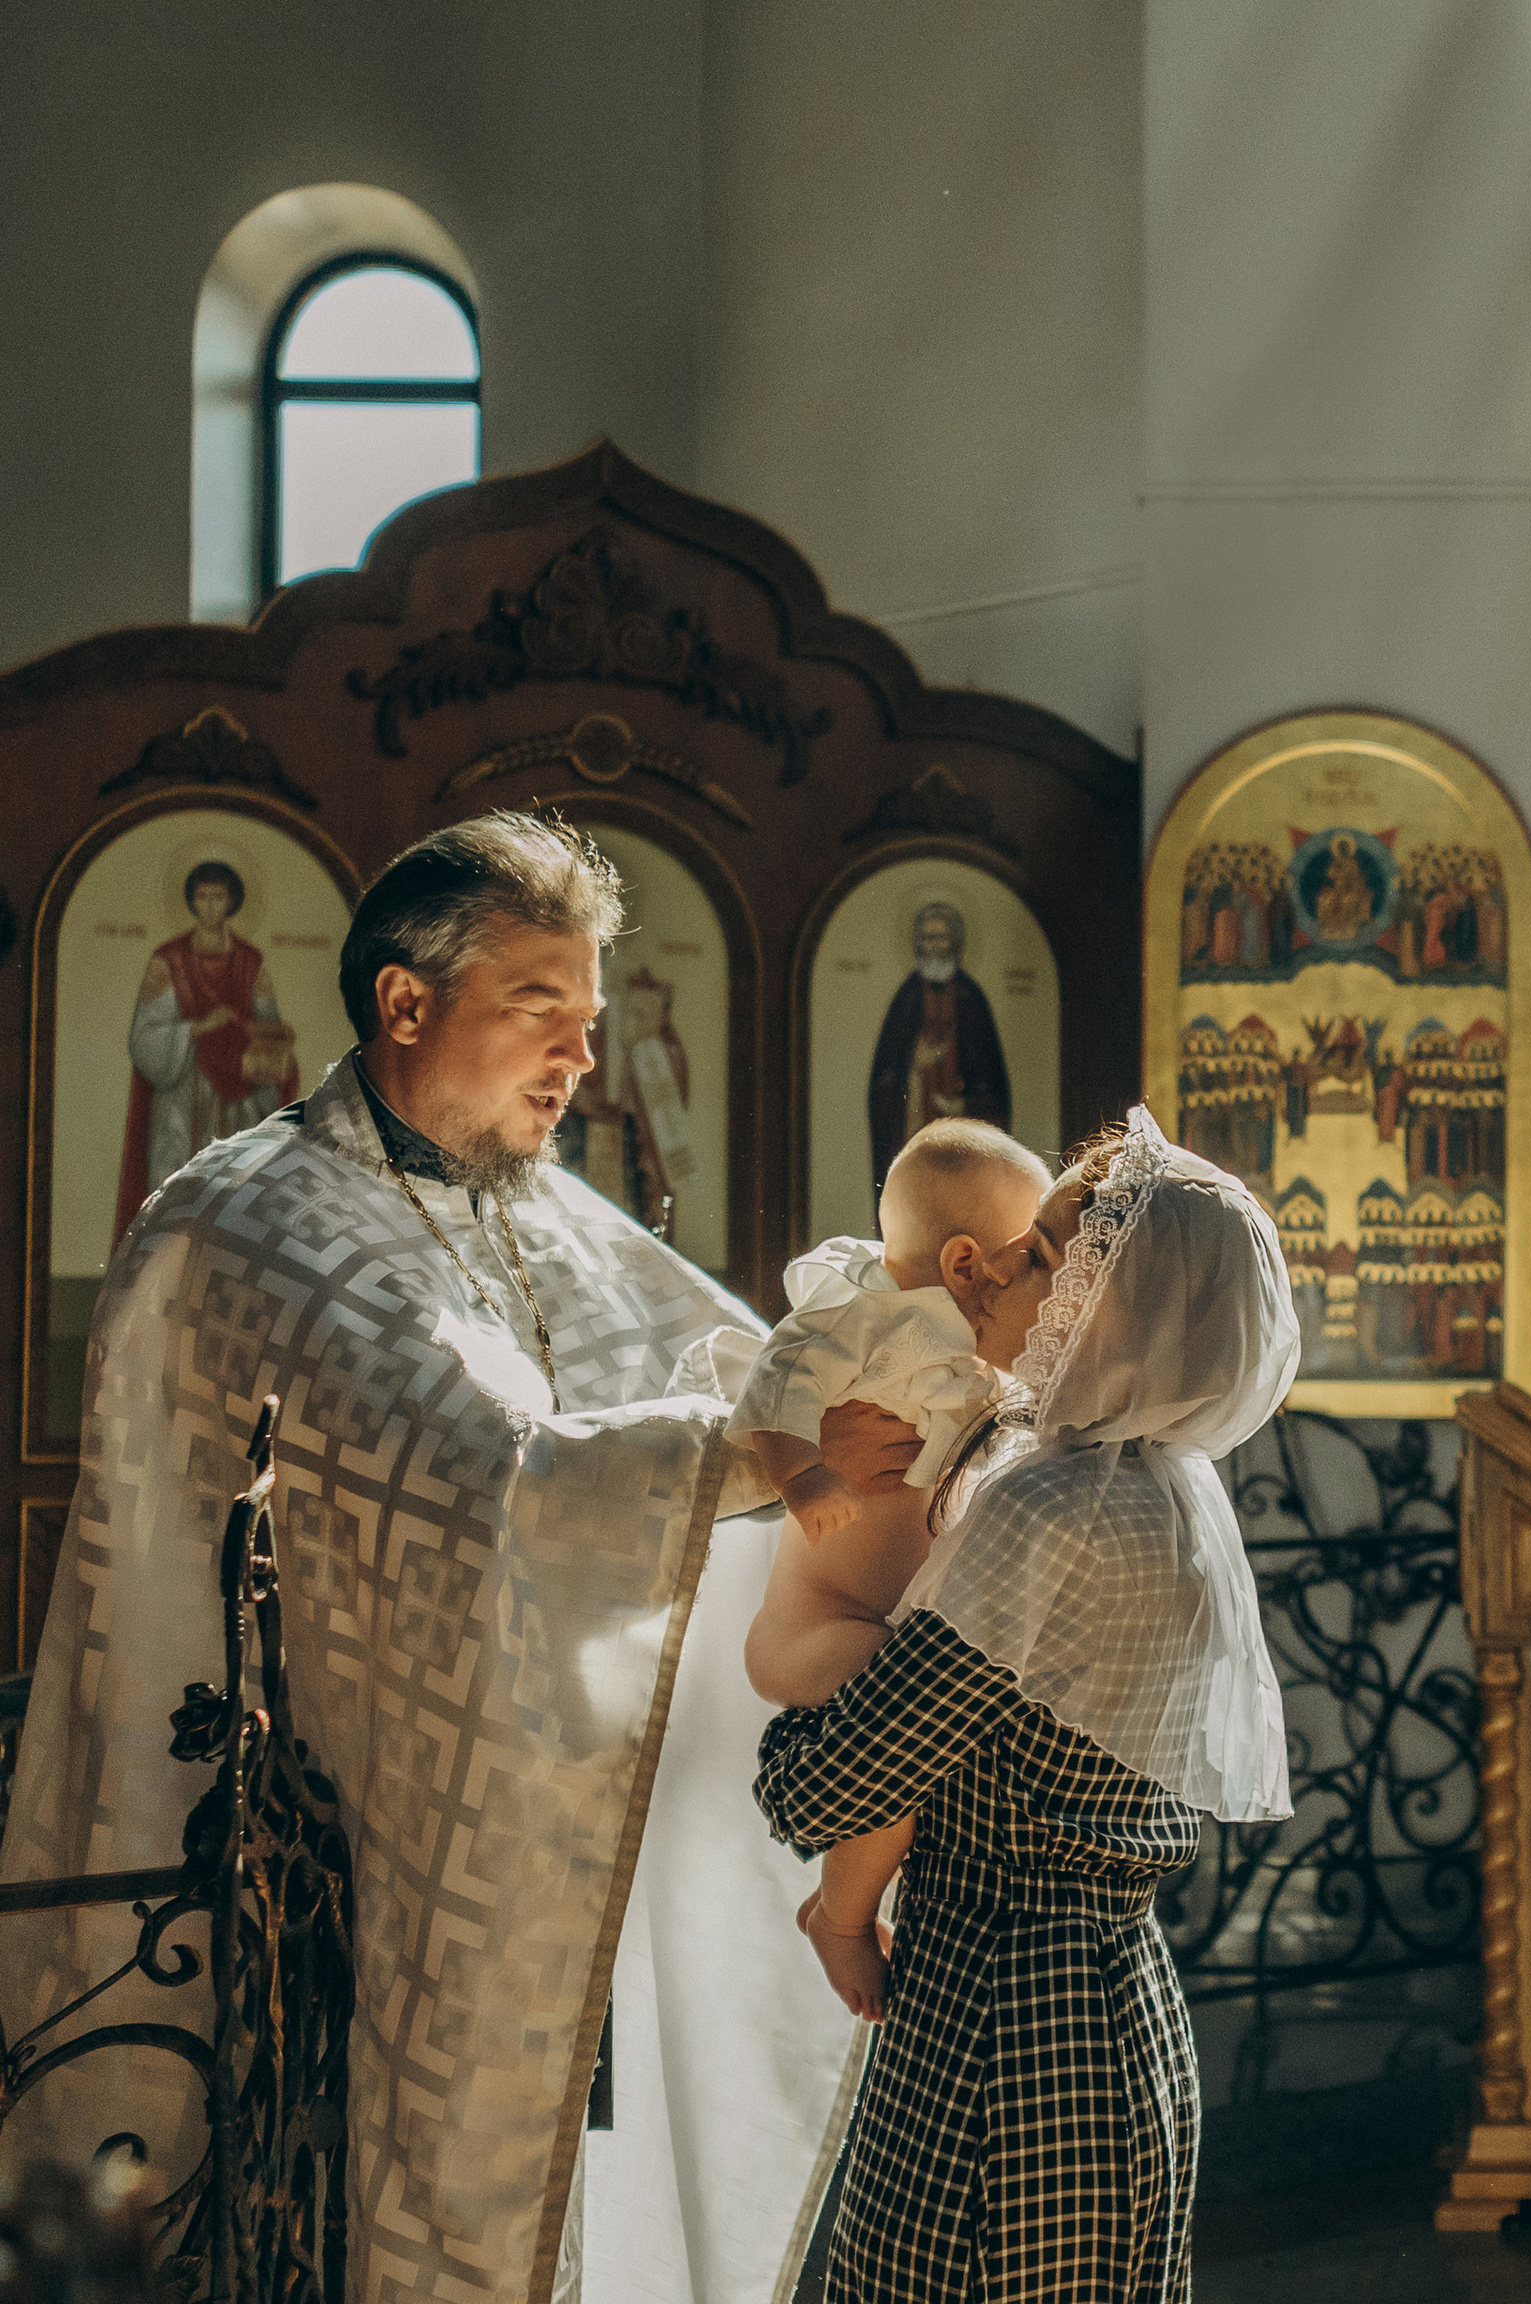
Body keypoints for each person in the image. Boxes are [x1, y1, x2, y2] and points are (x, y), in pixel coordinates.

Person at [0, 812, 875, 2304]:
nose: (582, 1060)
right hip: (298, 1876)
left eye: (591, 1020)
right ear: (406, 1003)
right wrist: (769, 1448)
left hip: (565, 1838)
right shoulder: (250, 1223)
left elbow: (726, 1361)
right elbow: (476, 1482)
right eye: (543, 1008)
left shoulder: (559, 1217)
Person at [755, 1104, 1297, 2304]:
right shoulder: (1145, 1482)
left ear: (1132, 1310)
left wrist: (807, 1647)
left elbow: (831, 1782)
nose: (998, 1264)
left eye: (1047, 1256)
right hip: (1089, 2004)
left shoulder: (1059, 1510)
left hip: (1015, 2029)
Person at [705, 1120, 1048, 2024]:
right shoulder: (861, 1317)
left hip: (880, 1619)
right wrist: (804, 1470)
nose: (1037, 1277)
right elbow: (774, 1384)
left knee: (927, 1726)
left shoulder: (981, 1335)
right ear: (969, 1260)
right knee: (903, 1729)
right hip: (819, 1625)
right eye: (1031, 1255)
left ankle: (865, 1902)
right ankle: (842, 1916)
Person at [112, 858, 299, 1250]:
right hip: (181, 1093)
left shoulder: (250, 962)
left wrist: (265, 1037)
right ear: (191, 902)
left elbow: (269, 1030)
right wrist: (202, 1026)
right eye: (203, 897)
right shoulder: (168, 961)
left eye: (219, 897)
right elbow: (143, 1038)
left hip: (239, 1101)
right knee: (176, 1189)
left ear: (232, 902)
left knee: (235, 1195)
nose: (211, 906)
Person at [865, 904, 1010, 1205]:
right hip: (913, 1128)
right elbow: (883, 1081)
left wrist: (966, 1104)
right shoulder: (906, 998)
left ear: (955, 942)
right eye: (926, 938)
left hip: (962, 1130)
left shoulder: (972, 1000)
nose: (933, 946)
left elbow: (993, 1082)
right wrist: (913, 1066)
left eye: (940, 938)